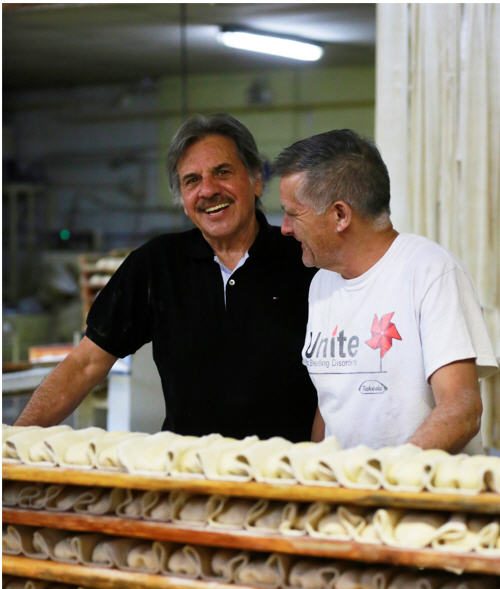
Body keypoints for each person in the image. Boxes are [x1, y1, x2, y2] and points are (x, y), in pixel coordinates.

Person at [15, 114, 317, 440]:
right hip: (186, 475)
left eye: (223, 172)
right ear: (183, 201)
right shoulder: (157, 265)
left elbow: (341, 382)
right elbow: (85, 364)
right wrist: (12, 445)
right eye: (191, 181)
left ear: (255, 180)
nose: (208, 190)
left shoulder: (304, 259)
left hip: (284, 474)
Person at [273, 128, 498, 453]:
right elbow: (331, 404)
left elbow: (461, 410)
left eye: (294, 213)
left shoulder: (429, 271)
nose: (284, 227)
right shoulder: (322, 282)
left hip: (418, 497)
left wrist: (389, 475)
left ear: (340, 215)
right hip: (347, 498)